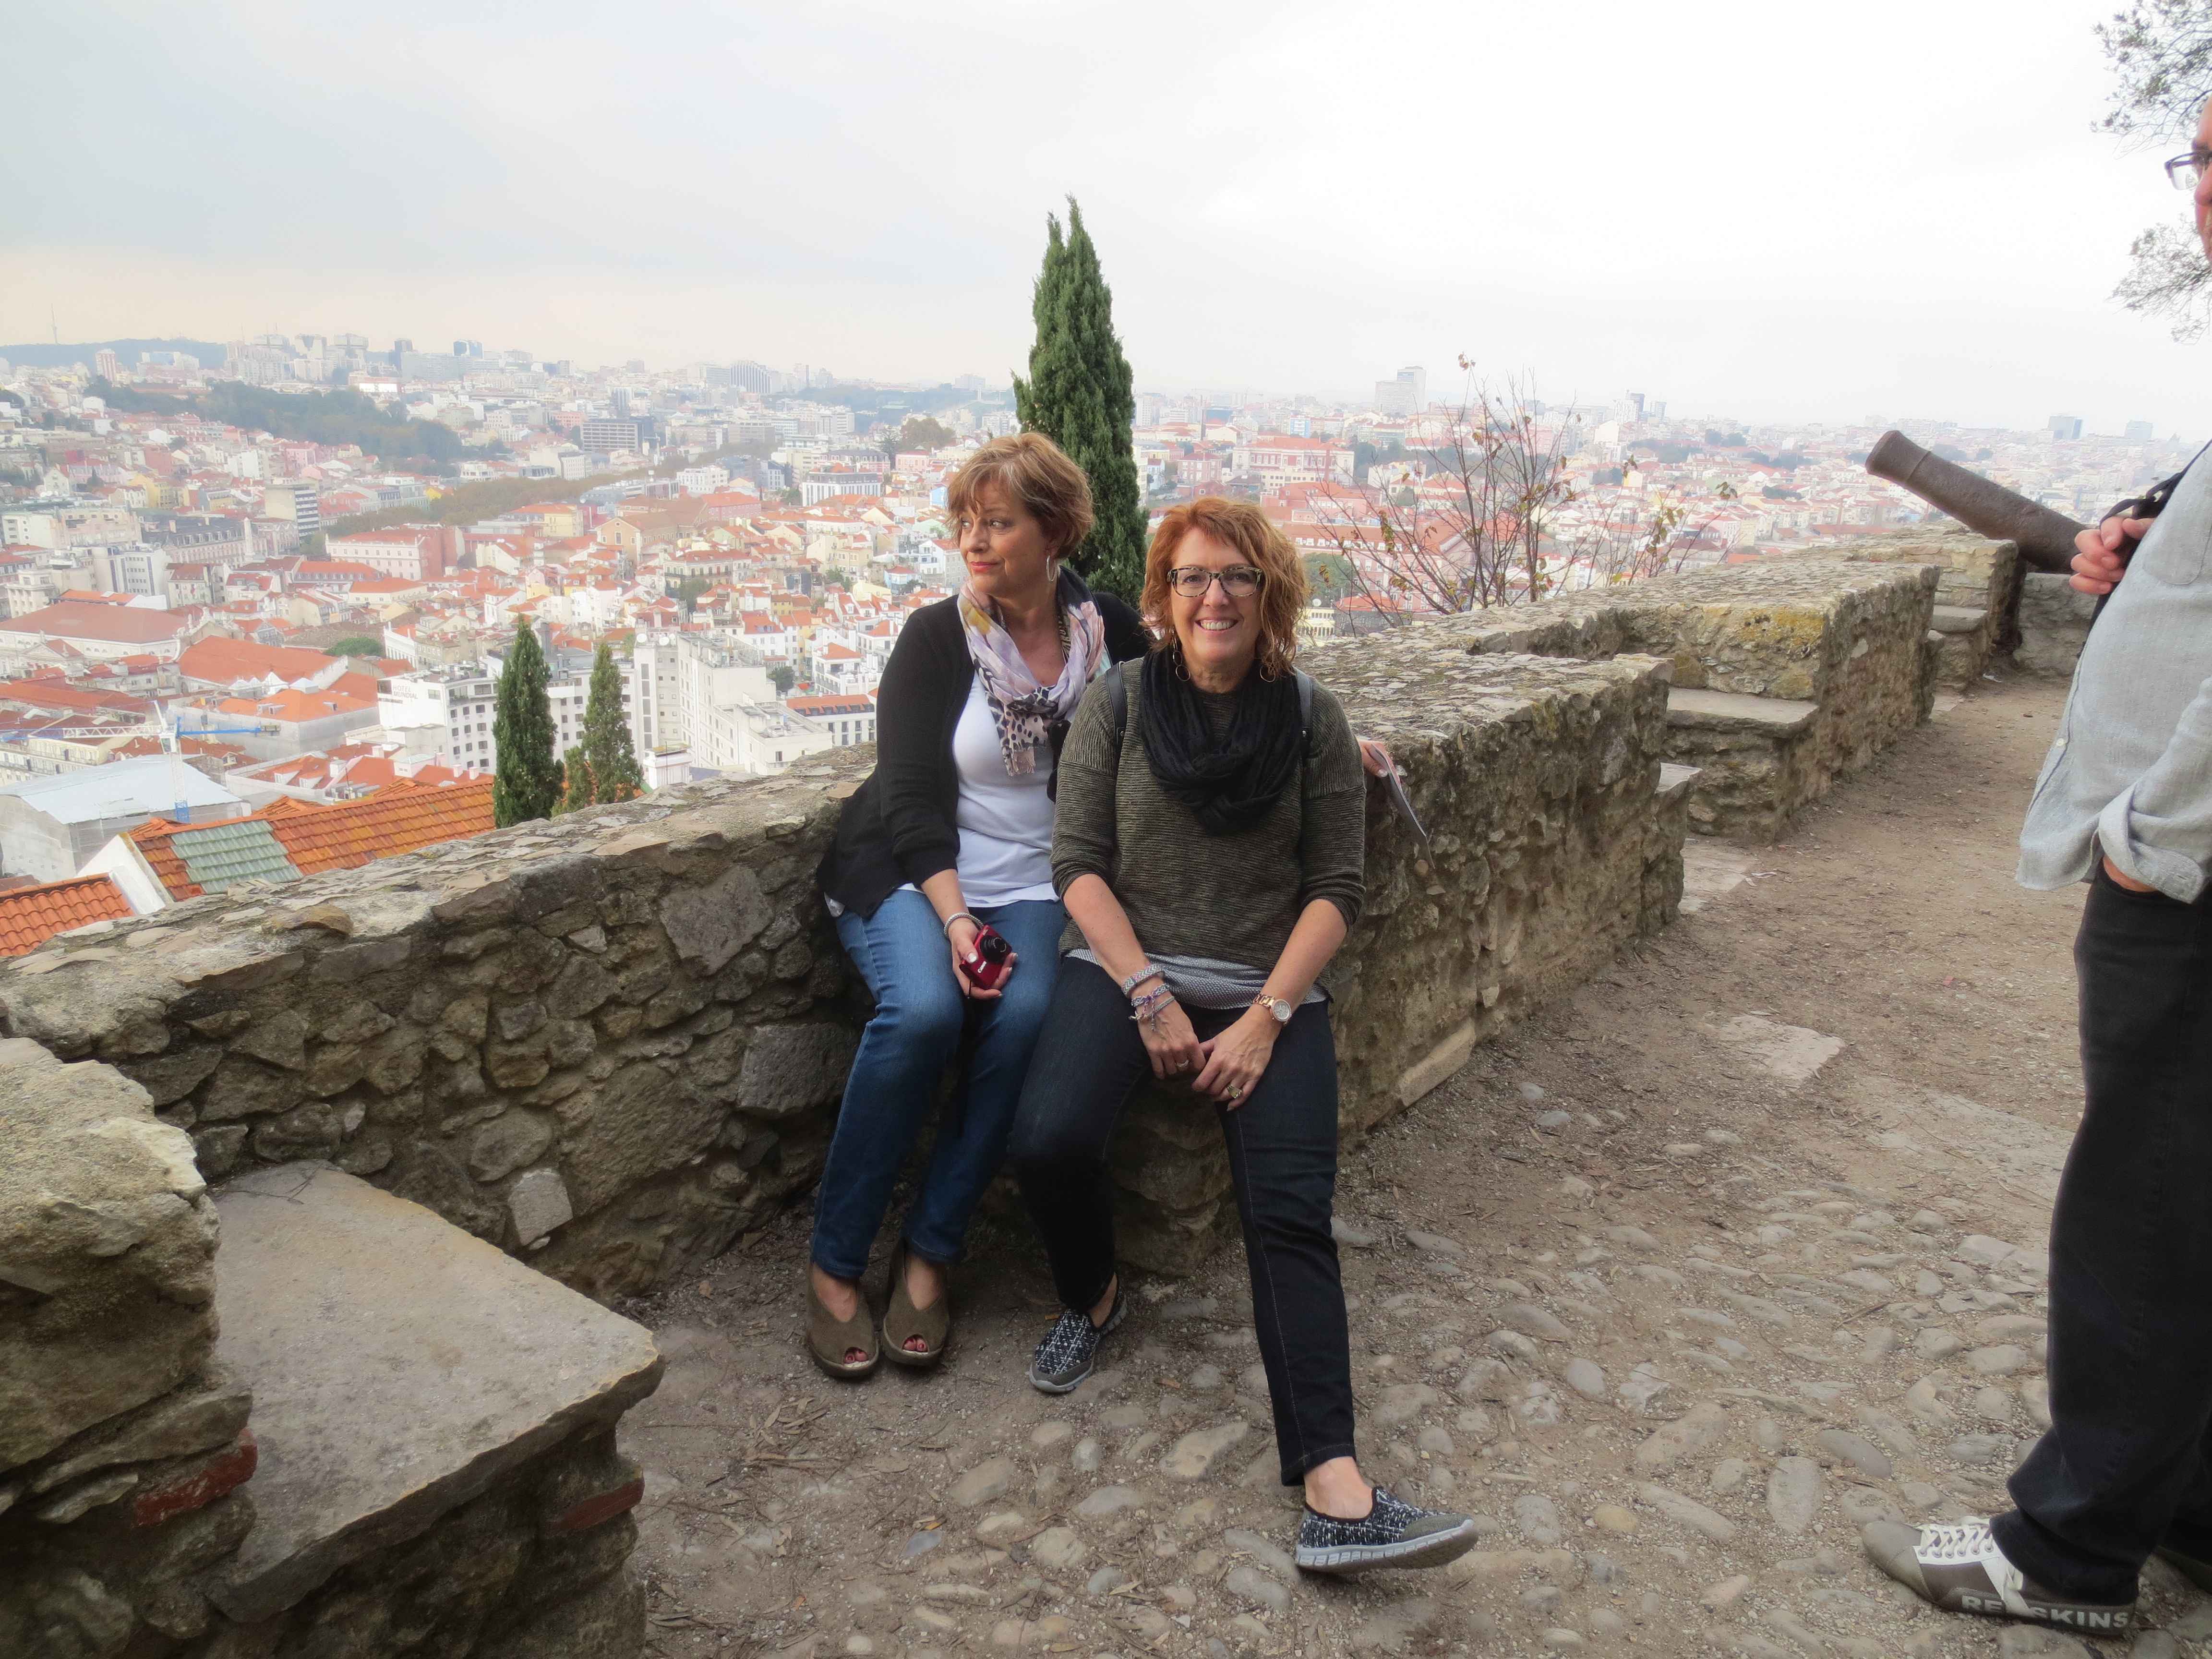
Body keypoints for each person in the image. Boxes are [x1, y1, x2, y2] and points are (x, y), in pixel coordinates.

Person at [1865, 99, 2212, 1633]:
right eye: (2196, 158)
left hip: (2190, 880)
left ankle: (2069, 1552)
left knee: (2145, 1204)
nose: (2200, 191)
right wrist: (2151, 528)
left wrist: (2155, 842)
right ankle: (2190, 1503)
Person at [1008, 497, 1479, 1575]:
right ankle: (1095, 1296)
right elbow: (1076, 864)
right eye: (1192, 577)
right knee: (1047, 1138)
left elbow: (1336, 887)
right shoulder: (1120, 705)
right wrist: (1147, 994)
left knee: (1290, 1216)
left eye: (1237, 577)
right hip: (1128, 968)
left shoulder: (1313, 719)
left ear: (1271, 594)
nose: (1213, 596)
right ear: (1163, 597)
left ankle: (1336, 1493)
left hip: (1269, 990)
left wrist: (1267, 1018)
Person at [807, 433, 1149, 1380]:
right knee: (923, 1011)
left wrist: (1327, 737)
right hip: (915, 872)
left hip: (1038, 879)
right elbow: (911, 800)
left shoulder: (1107, 634)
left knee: (1026, 1015)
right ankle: (836, 1261)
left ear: (1055, 532)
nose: (975, 541)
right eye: (966, 522)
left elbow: (1201, 701)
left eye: (997, 523)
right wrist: (958, 923)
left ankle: (930, 1251)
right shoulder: (937, 639)